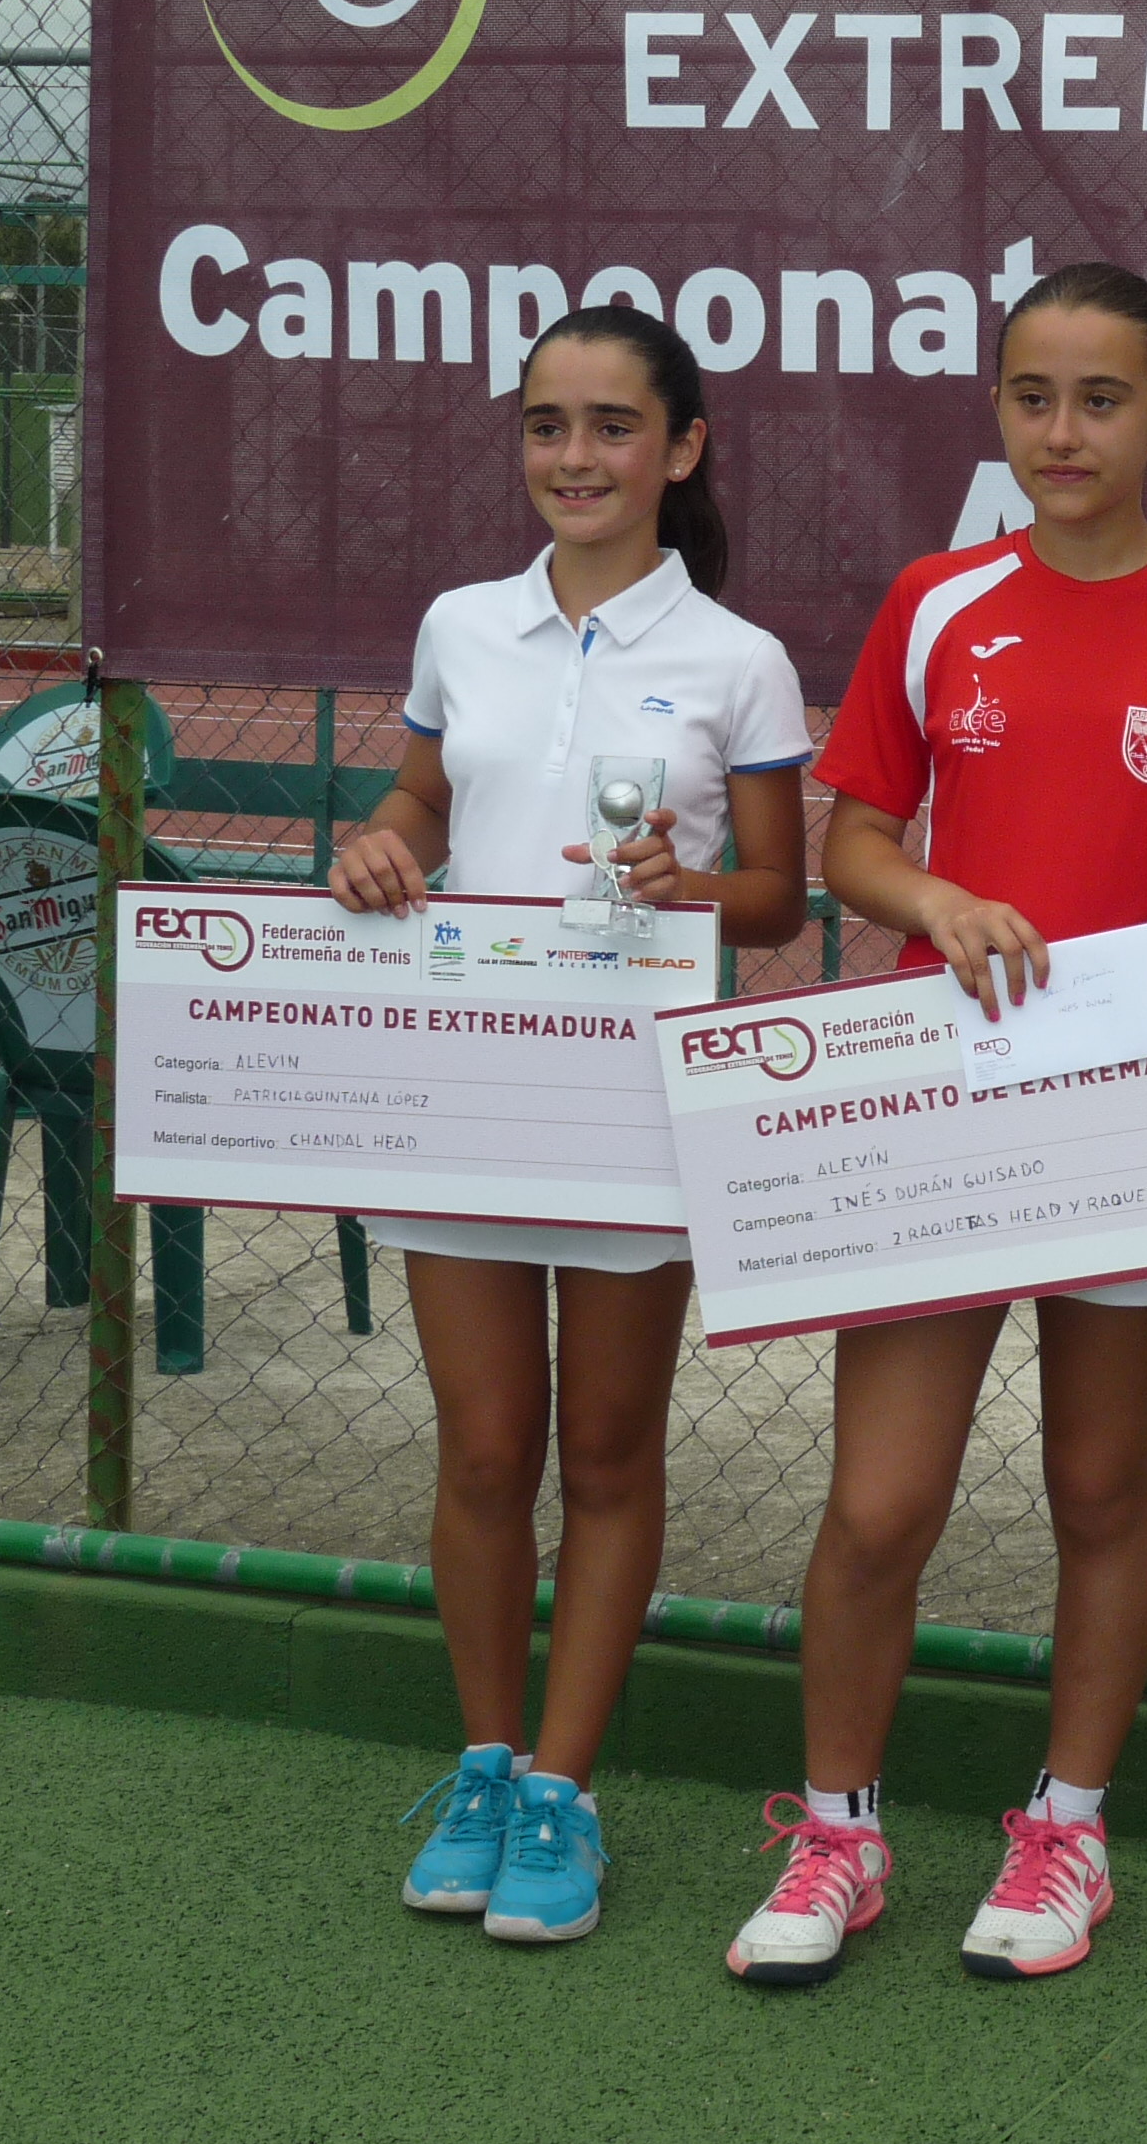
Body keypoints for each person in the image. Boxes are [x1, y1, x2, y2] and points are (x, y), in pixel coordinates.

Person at [726, 260, 1147, 1990]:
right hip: (944, 1107)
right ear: (997, 407)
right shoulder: (934, 603)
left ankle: (1068, 1830)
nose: (1065, 432)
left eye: (1102, 400)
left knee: (1099, 1484)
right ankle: (838, 1833)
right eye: (1033, 397)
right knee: (878, 1504)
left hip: (1135, 1113)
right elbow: (850, 844)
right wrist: (944, 898)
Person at [335, 305, 814, 1945]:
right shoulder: (462, 625)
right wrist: (380, 845)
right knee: (483, 1449)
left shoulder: (739, 660)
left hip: (634, 1107)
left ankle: (563, 1791)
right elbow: (421, 800)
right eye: (547, 425)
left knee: (607, 1456)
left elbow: (778, 900)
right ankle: (484, 1765)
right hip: (467, 1090)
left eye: (613, 427)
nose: (576, 456)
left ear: (682, 450)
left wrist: (693, 886)